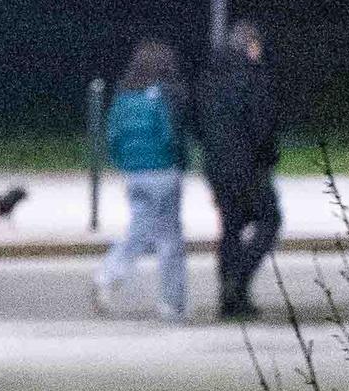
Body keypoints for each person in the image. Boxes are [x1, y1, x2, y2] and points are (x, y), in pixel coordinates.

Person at [94, 38, 192, 321]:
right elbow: (169, 134)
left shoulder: (124, 98)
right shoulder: (161, 95)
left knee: (138, 229)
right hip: (162, 170)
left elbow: (111, 135)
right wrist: (179, 159)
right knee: (170, 239)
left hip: (134, 173)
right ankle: (172, 302)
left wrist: (123, 161)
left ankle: (109, 273)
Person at [205, 19, 281, 323]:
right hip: (249, 165)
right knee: (270, 220)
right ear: (251, 46)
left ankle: (230, 298)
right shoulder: (253, 77)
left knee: (230, 228)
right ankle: (238, 280)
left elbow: (199, 124)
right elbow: (263, 125)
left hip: (217, 166)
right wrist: (267, 157)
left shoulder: (209, 77)